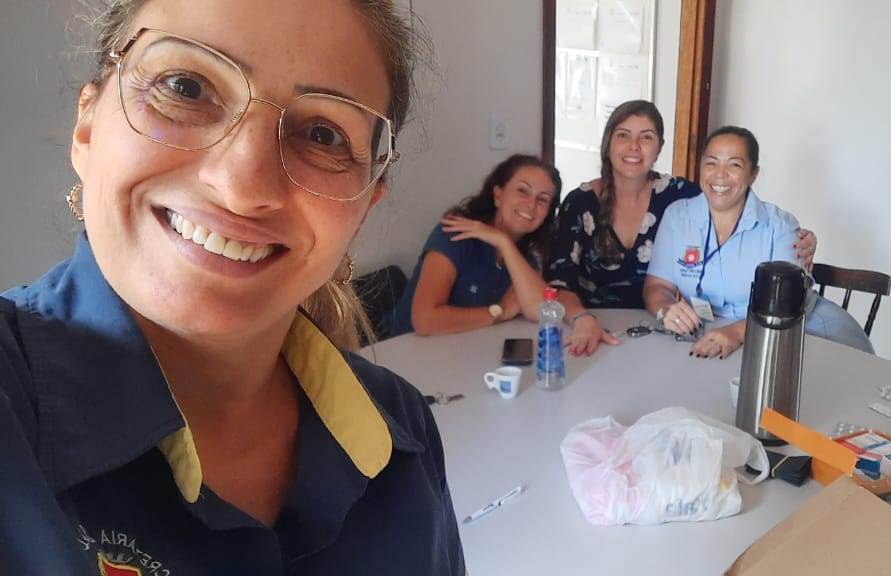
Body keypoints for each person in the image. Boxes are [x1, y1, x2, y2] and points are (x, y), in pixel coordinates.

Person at [0, 1, 465, 574]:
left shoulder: (404, 432)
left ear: (364, 206)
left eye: (322, 134)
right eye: (186, 87)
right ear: (88, 128)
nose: (242, 185)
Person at [545, 100, 817, 356]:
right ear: (608, 143)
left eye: (646, 137)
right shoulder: (583, 203)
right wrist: (586, 318)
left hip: (679, 333)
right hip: (594, 326)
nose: (634, 146)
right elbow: (558, 283)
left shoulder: (675, 195)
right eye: (623, 135)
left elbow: (728, 198)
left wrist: (802, 239)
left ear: (659, 147)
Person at [643, 126, 873, 358]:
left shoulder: (780, 227)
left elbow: (787, 306)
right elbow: (657, 286)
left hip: (807, 331)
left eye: (734, 165)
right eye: (711, 163)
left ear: (753, 174)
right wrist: (666, 308)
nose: (720, 174)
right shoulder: (677, 217)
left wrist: (736, 332)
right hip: (716, 334)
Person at [386, 154, 561, 337]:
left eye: (542, 199)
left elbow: (542, 311)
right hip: (401, 348)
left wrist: (504, 243)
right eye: (522, 191)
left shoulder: (525, 258)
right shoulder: (456, 233)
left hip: (465, 349)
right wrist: (500, 312)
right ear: (498, 195)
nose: (531, 205)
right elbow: (425, 321)